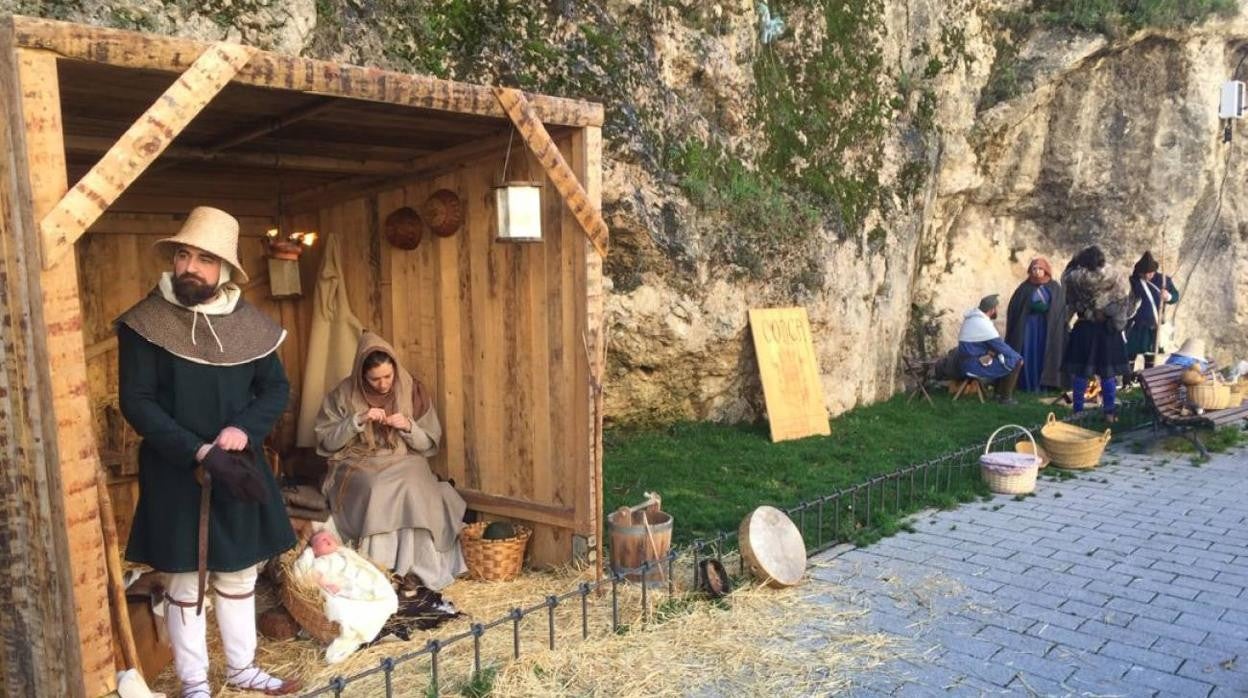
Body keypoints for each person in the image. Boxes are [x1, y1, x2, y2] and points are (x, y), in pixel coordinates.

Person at [117, 207, 300, 697]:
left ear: (223, 269)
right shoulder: (145, 322)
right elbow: (137, 400)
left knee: (239, 574)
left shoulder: (252, 327)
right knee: (184, 583)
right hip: (176, 472)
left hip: (237, 467)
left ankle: (242, 670)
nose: (189, 266)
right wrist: (196, 450)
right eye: (183, 254)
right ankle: (194, 683)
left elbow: (275, 391)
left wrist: (245, 428)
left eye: (203, 258)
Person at [315, 332, 467, 591]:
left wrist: (408, 426)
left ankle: (417, 568)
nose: (383, 384)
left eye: (388, 376)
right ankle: (380, 569)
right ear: (361, 375)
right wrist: (356, 422)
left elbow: (430, 443)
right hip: (359, 460)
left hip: (404, 457)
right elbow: (328, 442)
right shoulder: (341, 394)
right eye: (375, 379)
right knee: (375, 486)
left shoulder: (412, 389)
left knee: (414, 483)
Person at [293, 530, 397, 664]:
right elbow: (314, 575)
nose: (328, 540)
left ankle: (371, 597)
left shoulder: (345, 554)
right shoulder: (321, 560)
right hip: (341, 586)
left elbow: (362, 566)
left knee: (372, 587)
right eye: (322, 540)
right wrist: (326, 584)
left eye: (330, 537)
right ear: (315, 550)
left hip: (356, 580)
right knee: (344, 608)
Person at [1061, 246, 1138, 422]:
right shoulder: (1113, 276)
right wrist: (1117, 322)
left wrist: (1068, 320)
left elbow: (1069, 302)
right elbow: (1122, 302)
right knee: (1108, 373)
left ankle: (1078, 410)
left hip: (1085, 329)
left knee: (1081, 371)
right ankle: (1109, 413)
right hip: (1107, 330)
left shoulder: (1073, 278)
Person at [1005, 257, 1067, 391]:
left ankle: (1045, 385)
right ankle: (1028, 384)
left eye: (1040, 269)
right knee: (1029, 353)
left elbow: (1060, 309)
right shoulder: (1024, 288)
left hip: (1047, 328)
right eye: (1034, 269)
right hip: (1028, 328)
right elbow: (1014, 308)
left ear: (1046, 270)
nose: (1037, 271)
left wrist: (1048, 309)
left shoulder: (1055, 287)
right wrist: (1029, 307)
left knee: (1045, 354)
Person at [957, 294, 1024, 404]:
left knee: (1001, 357)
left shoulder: (973, 319)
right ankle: (1005, 398)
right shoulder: (981, 323)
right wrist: (1018, 357)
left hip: (967, 360)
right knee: (1015, 361)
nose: (997, 311)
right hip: (972, 364)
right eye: (996, 308)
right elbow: (1000, 346)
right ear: (992, 309)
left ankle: (997, 394)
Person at [1125, 251, 1180, 374]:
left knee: (1150, 355)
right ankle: (1127, 382)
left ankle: (1148, 379)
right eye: (1145, 273)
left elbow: (1176, 297)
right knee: (1130, 353)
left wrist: (1168, 296)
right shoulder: (1134, 281)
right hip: (1136, 324)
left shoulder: (1164, 280)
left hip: (1154, 324)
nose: (1148, 276)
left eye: (1150, 273)